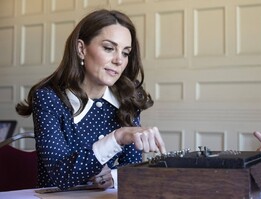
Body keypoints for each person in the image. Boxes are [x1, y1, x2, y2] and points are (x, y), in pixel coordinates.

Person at [16, 9, 166, 191]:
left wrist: (113, 177)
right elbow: (60, 175)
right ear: (81, 49)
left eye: (126, 52)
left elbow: (130, 169)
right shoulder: (49, 98)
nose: (119, 60)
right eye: (109, 48)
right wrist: (117, 137)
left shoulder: (127, 99)